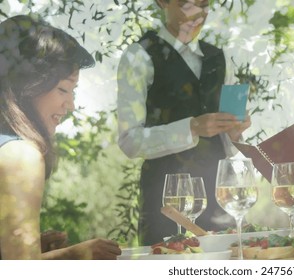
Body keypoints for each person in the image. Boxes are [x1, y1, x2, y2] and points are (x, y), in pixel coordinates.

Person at [117, 0, 251, 245]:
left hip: (220, 203)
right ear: (163, 3)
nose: (197, 14)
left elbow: (231, 144)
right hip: (166, 207)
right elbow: (129, 141)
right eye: (186, 4)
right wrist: (192, 127)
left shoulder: (220, 59)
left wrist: (235, 133)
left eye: (204, 5)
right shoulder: (139, 56)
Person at [0, 14, 121, 260]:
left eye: (73, 91)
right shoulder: (20, 156)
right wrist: (74, 255)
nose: (71, 105)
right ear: (30, 85)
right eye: (63, 89)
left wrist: (28, 247)